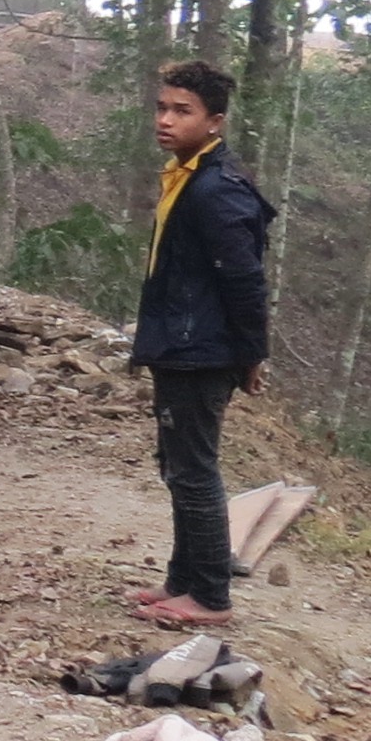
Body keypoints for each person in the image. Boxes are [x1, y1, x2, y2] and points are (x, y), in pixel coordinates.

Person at [130, 60, 273, 627]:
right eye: (163, 107)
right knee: (178, 464)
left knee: (194, 469)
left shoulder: (216, 189)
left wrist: (251, 353)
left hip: (202, 349)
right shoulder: (186, 175)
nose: (165, 119)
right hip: (181, 342)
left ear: (215, 122)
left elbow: (244, 280)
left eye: (181, 111)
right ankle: (182, 580)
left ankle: (210, 595)